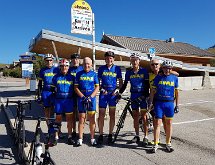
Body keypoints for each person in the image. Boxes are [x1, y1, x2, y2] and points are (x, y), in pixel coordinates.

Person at [119, 53, 150, 145]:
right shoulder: (129, 72)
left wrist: (144, 95)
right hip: (134, 96)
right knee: (135, 116)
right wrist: (119, 93)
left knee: (144, 117)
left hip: (143, 96)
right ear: (131, 61)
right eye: (132, 60)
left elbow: (147, 85)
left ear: (139, 61)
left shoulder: (144, 71)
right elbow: (125, 84)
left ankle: (146, 136)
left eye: (136, 59)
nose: (134, 61)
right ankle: (137, 136)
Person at [149, 60, 179, 153]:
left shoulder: (174, 78)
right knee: (157, 123)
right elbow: (153, 91)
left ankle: (168, 143)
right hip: (159, 103)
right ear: (163, 68)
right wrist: (150, 103)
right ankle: (156, 144)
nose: (167, 70)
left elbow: (177, 93)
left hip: (169, 103)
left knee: (169, 123)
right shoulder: (158, 77)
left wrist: (177, 105)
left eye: (169, 68)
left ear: (171, 69)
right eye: (165, 68)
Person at [97, 51, 123, 144]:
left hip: (112, 95)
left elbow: (120, 82)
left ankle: (110, 134)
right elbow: (97, 82)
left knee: (112, 115)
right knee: (101, 115)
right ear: (105, 59)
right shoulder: (101, 69)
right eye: (107, 58)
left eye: (111, 58)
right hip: (103, 94)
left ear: (113, 59)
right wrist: (101, 89)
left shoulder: (117, 69)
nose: (109, 59)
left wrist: (118, 90)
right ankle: (100, 134)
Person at [74, 57, 99, 146]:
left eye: (88, 64)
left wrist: (91, 97)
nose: (86, 65)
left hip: (91, 99)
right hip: (82, 99)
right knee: (81, 118)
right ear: (82, 64)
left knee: (92, 119)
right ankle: (80, 138)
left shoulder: (94, 74)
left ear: (91, 65)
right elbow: (76, 87)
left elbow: (97, 87)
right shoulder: (78, 74)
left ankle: (92, 138)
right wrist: (83, 97)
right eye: (85, 64)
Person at [52, 59, 74, 145]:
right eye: (62, 66)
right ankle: (56, 136)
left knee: (69, 120)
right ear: (60, 67)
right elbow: (52, 90)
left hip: (69, 100)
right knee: (58, 119)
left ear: (68, 67)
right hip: (59, 101)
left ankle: (69, 136)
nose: (64, 67)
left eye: (66, 66)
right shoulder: (55, 77)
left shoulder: (72, 77)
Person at [38, 54, 59, 126]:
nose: (49, 62)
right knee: (47, 111)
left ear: (53, 60)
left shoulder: (56, 69)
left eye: (50, 60)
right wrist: (39, 95)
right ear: (44, 61)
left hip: (54, 92)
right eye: (47, 60)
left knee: (56, 111)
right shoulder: (42, 70)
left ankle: (57, 130)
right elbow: (40, 84)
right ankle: (49, 128)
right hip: (45, 92)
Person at [68, 53, 83, 143]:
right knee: (73, 113)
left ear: (79, 60)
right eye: (73, 60)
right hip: (71, 94)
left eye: (77, 59)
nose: (75, 61)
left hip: (81, 93)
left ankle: (80, 131)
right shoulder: (69, 69)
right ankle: (73, 131)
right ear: (71, 61)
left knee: (81, 114)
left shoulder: (82, 68)